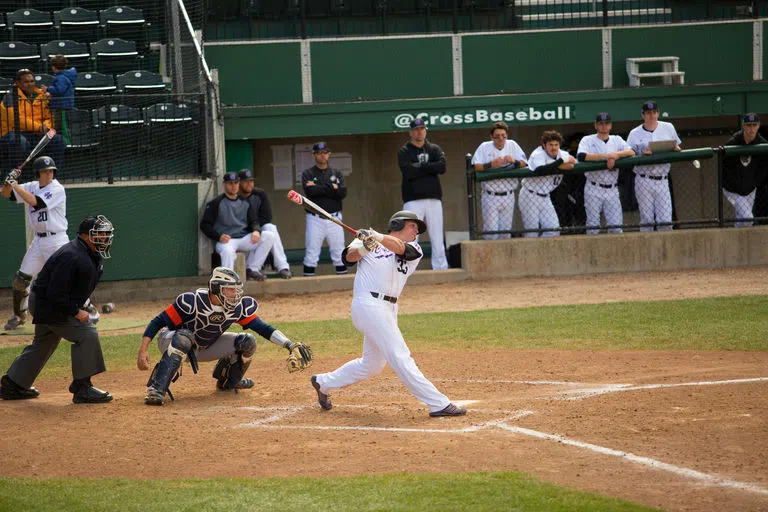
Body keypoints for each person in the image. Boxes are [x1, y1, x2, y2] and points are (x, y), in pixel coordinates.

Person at [310, 210, 466, 418]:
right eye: (413, 226)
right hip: (368, 304)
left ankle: (323, 382)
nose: (416, 231)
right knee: (400, 355)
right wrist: (366, 246)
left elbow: (402, 249)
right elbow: (348, 257)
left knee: (372, 366)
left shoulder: (414, 248)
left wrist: (378, 237)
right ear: (398, 223)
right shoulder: (367, 242)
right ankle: (438, 403)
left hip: (389, 309)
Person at [136, 266, 312, 406]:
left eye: (236, 290)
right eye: (229, 290)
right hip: (172, 341)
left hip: (204, 346)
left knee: (247, 342)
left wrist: (288, 344)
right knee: (185, 337)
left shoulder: (238, 307)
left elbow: (263, 328)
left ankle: (229, 381)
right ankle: (156, 389)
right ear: (215, 289)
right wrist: (142, 351)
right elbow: (157, 322)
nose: (234, 294)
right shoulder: (191, 301)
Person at [0, 215, 115, 403]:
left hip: (49, 303)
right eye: (100, 234)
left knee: (44, 342)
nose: (104, 238)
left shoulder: (89, 253)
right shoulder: (72, 255)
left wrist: (80, 305)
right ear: (86, 236)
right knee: (86, 334)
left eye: (105, 234)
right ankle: (82, 387)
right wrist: (76, 312)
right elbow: (56, 293)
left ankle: (13, 385)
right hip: (49, 305)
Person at [2, 156, 68, 330]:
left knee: (64, 278)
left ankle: (87, 308)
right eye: (45, 171)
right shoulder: (32, 186)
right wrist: (9, 181)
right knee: (21, 280)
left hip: (57, 240)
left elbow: (35, 202)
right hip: (39, 241)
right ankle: (19, 315)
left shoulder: (57, 188)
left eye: (51, 171)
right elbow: (5, 193)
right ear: (38, 173)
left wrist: (14, 184)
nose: (49, 174)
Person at [200, 171, 275, 281]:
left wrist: (256, 231)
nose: (234, 186)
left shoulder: (244, 202)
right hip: (226, 240)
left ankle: (252, 269)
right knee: (227, 252)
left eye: (236, 183)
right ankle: (228, 281)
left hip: (243, 239)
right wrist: (218, 236)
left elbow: (254, 221)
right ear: (224, 185)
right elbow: (205, 225)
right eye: (230, 183)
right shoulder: (216, 203)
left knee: (269, 236)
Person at [397, 119, 448, 269]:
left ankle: (441, 268)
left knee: (437, 236)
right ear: (411, 132)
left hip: (433, 198)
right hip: (413, 199)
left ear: (425, 130)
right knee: (411, 236)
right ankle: (408, 268)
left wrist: (420, 166)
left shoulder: (434, 148)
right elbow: (408, 171)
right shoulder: (405, 151)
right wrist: (429, 168)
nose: (419, 132)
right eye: (416, 129)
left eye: (422, 128)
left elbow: (442, 167)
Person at [627, 101, 682, 231]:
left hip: (662, 178)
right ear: (643, 115)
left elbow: (677, 147)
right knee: (647, 221)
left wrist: (675, 148)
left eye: (654, 112)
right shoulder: (634, 133)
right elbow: (628, 154)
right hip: (643, 179)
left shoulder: (668, 127)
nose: (651, 115)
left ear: (657, 113)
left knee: (666, 221)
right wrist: (642, 154)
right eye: (648, 113)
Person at [577, 113, 635, 234]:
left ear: (610, 125)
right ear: (595, 125)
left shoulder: (617, 139)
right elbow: (581, 156)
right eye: (601, 123)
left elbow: (632, 151)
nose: (604, 126)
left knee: (616, 227)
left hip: (612, 188)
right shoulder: (587, 140)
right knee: (593, 226)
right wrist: (606, 156)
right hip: (593, 186)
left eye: (606, 123)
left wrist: (616, 155)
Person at [0, 69, 66, 172]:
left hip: (36, 133)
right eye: (26, 82)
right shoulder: (10, 97)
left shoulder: (41, 95)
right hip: (12, 133)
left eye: (32, 81)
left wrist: (46, 126)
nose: (30, 84)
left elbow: (49, 117)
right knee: (20, 142)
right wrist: (38, 127)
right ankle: (11, 177)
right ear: (17, 84)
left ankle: (51, 178)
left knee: (58, 140)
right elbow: (15, 119)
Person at [471, 121, 527, 239]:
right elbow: (475, 166)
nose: (501, 139)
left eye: (503, 136)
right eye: (497, 136)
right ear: (492, 137)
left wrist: (514, 161)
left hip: (508, 195)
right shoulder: (484, 147)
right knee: (491, 233)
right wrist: (491, 164)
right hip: (490, 195)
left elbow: (525, 163)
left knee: (505, 233)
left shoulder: (512, 145)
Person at [301, 142, 348, 276]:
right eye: (319, 153)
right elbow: (310, 192)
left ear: (329, 154)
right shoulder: (308, 173)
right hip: (315, 218)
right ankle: (307, 287)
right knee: (311, 253)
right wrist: (332, 187)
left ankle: (343, 287)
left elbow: (342, 193)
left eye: (325, 153)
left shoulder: (336, 173)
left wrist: (318, 186)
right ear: (314, 155)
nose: (322, 156)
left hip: (335, 217)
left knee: (339, 252)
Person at [237, 168, 292, 279]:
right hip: (242, 234)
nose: (249, 184)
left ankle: (282, 267)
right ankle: (252, 269)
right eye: (246, 181)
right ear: (239, 183)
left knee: (270, 228)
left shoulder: (259, 194)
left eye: (251, 181)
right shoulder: (235, 197)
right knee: (264, 234)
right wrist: (253, 230)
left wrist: (256, 229)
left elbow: (267, 217)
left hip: (257, 231)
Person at [519, 130, 575, 237]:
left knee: (553, 230)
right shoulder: (537, 154)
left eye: (556, 145)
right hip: (529, 195)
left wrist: (553, 164)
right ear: (544, 145)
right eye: (550, 145)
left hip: (545, 197)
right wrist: (560, 161)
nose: (554, 147)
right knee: (532, 233)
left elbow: (572, 164)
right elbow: (541, 171)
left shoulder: (561, 154)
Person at [722, 113, 767, 227]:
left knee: (742, 221)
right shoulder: (732, 143)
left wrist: (752, 184)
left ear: (758, 126)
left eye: (754, 125)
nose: (751, 129)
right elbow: (725, 171)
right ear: (743, 126)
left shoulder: (762, 144)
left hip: (750, 189)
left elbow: (763, 170)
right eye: (749, 125)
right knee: (748, 218)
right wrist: (739, 187)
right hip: (732, 190)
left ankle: (737, 243)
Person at [42, 54, 76, 138]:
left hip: (63, 107)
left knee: (63, 127)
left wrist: (48, 89)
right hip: (61, 107)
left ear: (53, 67)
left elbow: (59, 90)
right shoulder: (63, 76)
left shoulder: (61, 77)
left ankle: (67, 144)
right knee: (59, 126)